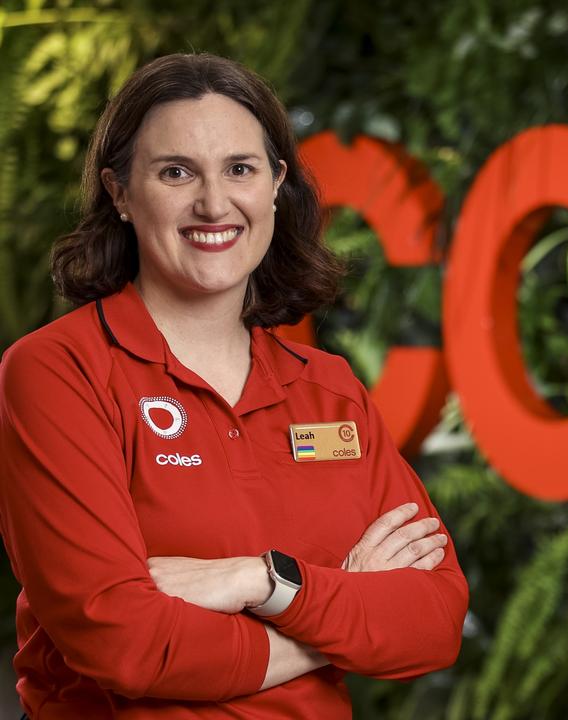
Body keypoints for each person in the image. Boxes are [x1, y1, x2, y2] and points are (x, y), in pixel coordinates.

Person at [0, 54, 468, 717]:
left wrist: (260, 581)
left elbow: (433, 619)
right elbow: (123, 644)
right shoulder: (59, 371)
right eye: (175, 172)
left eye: (240, 169)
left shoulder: (329, 392)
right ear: (120, 193)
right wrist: (334, 622)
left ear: (276, 183)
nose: (214, 203)